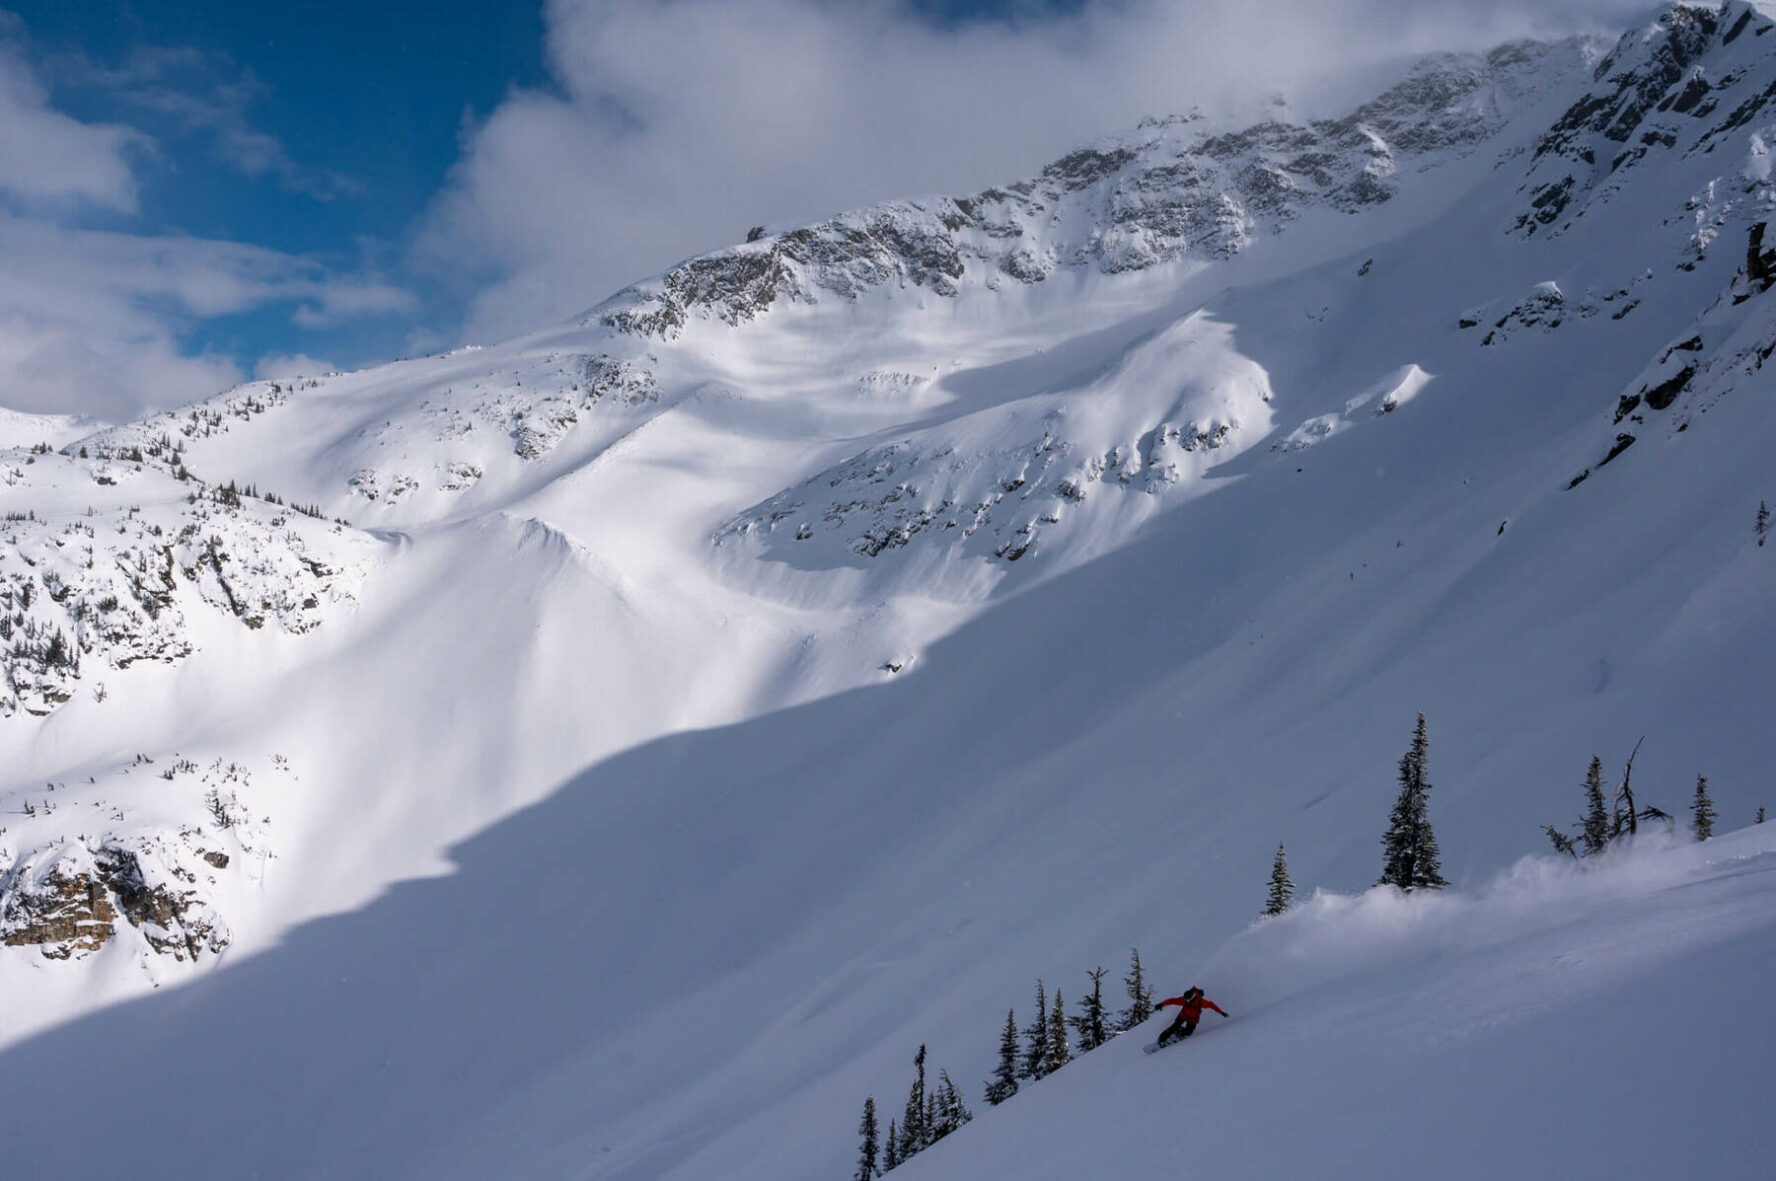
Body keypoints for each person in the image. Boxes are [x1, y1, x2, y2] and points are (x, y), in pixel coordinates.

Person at [1155, 986, 1227, 1045]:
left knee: (1188, 1032)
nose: (1185, 1001)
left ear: (1191, 999)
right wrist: (1161, 1004)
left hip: (1193, 1019)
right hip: (1183, 1015)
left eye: (1187, 1000)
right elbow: (1172, 1000)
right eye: (1185, 999)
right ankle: (1162, 1039)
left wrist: (1221, 1012)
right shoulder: (1184, 1000)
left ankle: (1179, 1033)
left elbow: (1211, 1005)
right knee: (1174, 1026)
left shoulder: (1201, 1002)